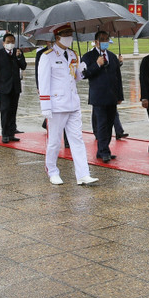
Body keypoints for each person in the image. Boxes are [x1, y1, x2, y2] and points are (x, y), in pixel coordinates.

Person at [38, 25, 97, 186]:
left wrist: (82, 70)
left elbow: (75, 77)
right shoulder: (47, 56)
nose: (69, 37)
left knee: (77, 139)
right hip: (56, 105)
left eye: (71, 34)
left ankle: (83, 174)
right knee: (55, 141)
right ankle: (52, 171)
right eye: (66, 35)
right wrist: (46, 106)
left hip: (73, 103)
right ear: (57, 37)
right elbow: (43, 83)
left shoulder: (72, 54)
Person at [82, 30, 123, 162]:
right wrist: (97, 65)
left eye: (107, 39)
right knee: (102, 124)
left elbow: (118, 77)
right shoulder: (89, 56)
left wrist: (120, 95)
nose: (105, 41)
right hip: (98, 96)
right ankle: (103, 150)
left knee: (110, 124)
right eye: (102, 39)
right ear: (96, 41)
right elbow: (84, 74)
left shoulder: (111, 56)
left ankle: (103, 150)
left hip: (112, 96)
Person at [0, 33, 27, 144]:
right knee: (5, 110)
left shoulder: (18, 52)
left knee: (13, 111)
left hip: (15, 87)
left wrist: (19, 57)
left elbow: (23, 66)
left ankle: (11, 133)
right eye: (8, 42)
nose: (10, 44)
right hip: (3, 87)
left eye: (12, 42)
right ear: (3, 43)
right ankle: (5, 134)